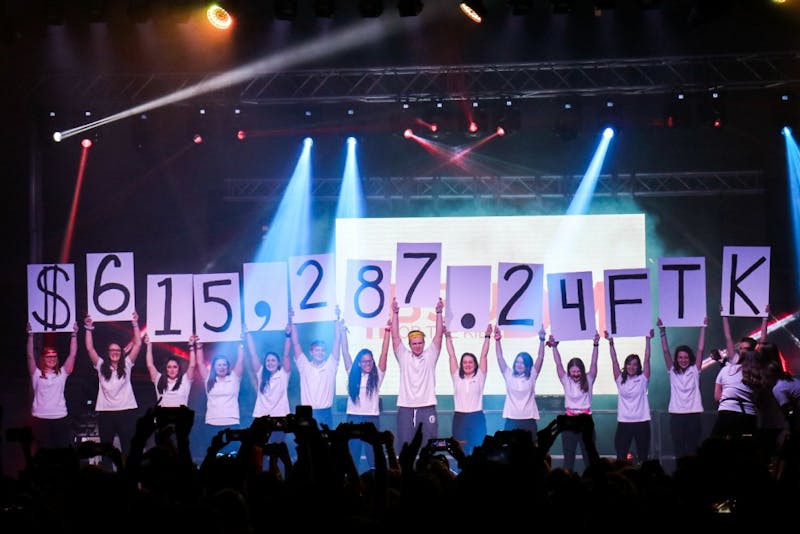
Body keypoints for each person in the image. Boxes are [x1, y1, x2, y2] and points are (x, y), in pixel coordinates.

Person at [84, 311, 142, 459]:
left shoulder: (127, 364)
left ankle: (128, 479)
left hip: (126, 412)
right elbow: (90, 348)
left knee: (128, 450)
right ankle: (108, 479)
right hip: (106, 413)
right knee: (106, 451)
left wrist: (135, 324)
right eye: (112, 350)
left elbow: (138, 344)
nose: (115, 352)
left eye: (117, 350)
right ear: (107, 352)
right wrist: (88, 328)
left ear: (121, 352)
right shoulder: (101, 365)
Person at [391, 296, 444, 451]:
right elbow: (395, 337)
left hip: (427, 407)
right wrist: (395, 313)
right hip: (406, 408)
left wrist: (439, 312)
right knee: (406, 447)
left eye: (420, 343)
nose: (417, 346)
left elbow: (439, 336)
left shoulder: (430, 355)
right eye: (414, 343)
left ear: (424, 343)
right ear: (409, 345)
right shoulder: (403, 356)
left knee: (428, 447)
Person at [339, 317, 389, 471]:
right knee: (352, 455)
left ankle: (375, 484)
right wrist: (342, 332)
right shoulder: (353, 375)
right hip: (353, 418)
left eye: (370, 361)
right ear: (359, 363)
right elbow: (346, 353)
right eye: (364, 362)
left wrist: (387, 331)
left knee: (373, 456)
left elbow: (384, 353)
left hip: (371, 419)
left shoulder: (377, 376)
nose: (368, 364)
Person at [657, 316, 707, 460]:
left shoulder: (695, 370)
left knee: (692, 449)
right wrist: (662, 331)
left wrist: (703, 327)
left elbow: (700, 349)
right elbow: (666, 352)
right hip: (676, 415)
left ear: (689, 358)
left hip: (693, 414)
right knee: (678, 449)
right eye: (680, 357)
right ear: (676, 359)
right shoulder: (672, 371)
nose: (683, 360)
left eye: (685, 357)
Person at [549, 330, 599, 472]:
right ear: (569, 371)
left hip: (585, 421)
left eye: (578, 371)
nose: (576, 374)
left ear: (582, 371)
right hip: (569, 421)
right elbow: (558, 363)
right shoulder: (566, 380)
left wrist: (595, 345)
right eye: (573, 371)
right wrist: (554, 347)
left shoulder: (589, 378)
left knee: (589, 457)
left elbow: (594, 362)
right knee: (568, 457)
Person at [26, 321, 79, 450]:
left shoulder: (62, 373)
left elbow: (72, 355)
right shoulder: (36, 374)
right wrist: (31, 336)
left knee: (61, 452)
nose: (52, 358)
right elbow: (30, 356)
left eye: (54, 356)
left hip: (60, 417)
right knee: (43, 453)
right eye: (48, 356)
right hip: (40, 418)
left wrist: (74, 335)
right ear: (43, 359)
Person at [605, 328, 653, 464]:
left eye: (635, 364)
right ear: (625, 366)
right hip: (624, 423)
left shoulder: (643, 379)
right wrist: (611, 342)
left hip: (642, 422)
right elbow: (614, 361)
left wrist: (648, 340)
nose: (632, 367)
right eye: (629, 364)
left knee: (643, 456)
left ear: (638, 367)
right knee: (621, 456)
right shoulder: (620, 379)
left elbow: (647, 359)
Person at [443, 322, 491, 456]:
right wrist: (448, 337)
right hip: (460, 419)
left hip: (477, 418)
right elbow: (451, 355)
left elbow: (483, 356)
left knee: (478, 452)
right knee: (460, 452)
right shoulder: (456, 377)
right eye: (464, 362)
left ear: (475, 364)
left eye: (470, 362)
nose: (467, 364)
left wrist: (487, 336)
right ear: (461, 364)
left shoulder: (480, 377)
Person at [291, 311, 342, 429]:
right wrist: (293, 321)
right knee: (306, 445)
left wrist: (336, 318)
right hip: (306, 413)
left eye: (323, 350)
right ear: (311, 352)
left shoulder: (330, 365)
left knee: (325, 444)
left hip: (325, 412)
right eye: (317, 350)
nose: (320, 353)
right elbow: (296, 344)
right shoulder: (304, 365)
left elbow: (337, 341)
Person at [244, 321, 293, 443]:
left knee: (277, 447)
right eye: (268, 361)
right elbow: (253, 353)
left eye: (273, 360)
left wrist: (287, 336)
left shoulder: (283, 374)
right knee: (258, 447)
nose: (270, 363)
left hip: (280, 417)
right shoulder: (261, 374)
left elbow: (286, 355)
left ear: (278, 363)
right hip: (262, 416)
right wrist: (247, 334)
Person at [493, 324, 545, 437]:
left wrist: (542, 339)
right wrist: (497, 340)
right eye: (517, 361)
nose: (519, 365)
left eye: (523, 363)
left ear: (528, 366)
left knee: (529, 452)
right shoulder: (508, 374)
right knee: (511, 452)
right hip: (512, 420)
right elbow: (499, 357)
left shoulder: (532, 376)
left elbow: (540, 357)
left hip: (529, 421)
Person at [195, 337, 244, 455]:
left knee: (233, 455)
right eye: (219, 365)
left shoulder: (234, 377)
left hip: (232, 421)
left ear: (227, 367)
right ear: (214, 367)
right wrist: (199, 347)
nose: (222, 367)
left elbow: (241, 360)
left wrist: (241, 344)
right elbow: (200, 363)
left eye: (224, 365)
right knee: (215, 455)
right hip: (212, 422)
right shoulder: (208, 379)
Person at [143, 333, 196, 408]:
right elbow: (150, 365)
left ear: (179, 369)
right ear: (166, 369)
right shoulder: (159, 379)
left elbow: (192, 365)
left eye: (175, 367)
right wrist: (149, 345)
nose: (172, 370)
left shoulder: (185, 380)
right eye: (169, 367)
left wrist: (191, 347)